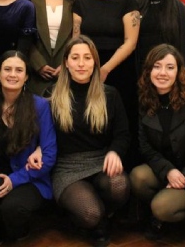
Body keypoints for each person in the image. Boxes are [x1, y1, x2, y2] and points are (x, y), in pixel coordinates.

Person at [131, 44, 185, 239]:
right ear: (149, 71)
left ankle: (183, 215)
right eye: (157, 66)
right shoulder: (146, 100)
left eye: (170, 67)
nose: (162, 72)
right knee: (138, 177)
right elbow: (145, 146)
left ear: (179, 71)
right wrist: (169, 171)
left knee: (161, 207)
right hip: (169, 170)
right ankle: (165, 208)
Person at [49, 36, 131, 247]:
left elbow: (123, 134)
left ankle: (98, 212)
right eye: (75, 58)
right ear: (66, 62)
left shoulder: (110, 94)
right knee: (91, 213)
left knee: (120, 185)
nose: (81, 63)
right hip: (67, 168)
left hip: (100, 160)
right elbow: (42, 137)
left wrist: (114, 152)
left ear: (95, 62)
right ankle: (94, 219)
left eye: (87, 58)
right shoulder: (51, 96)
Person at [0, 51, 57, 243]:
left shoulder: (40, 106)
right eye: (7, 69)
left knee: (13, 209)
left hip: (29, 177)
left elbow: (49, 154)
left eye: (19, 70)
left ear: (26, 76)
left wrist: (14, 180)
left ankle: (17, 230)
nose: (13, 74)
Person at [73, 0, 140, 160]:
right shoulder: (81, 2)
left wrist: (106, 68)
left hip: (121, 69)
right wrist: (90, 68)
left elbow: (130, 41)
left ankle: (123, 165)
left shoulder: (129, 2)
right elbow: (77, 40)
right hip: (87, 68)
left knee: (122, 120)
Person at [29, 0, 81, 96]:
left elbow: (79, 36)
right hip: (35, 75)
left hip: (68, 74)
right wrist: (38, 64)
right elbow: (23, 34)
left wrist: (66, 63)